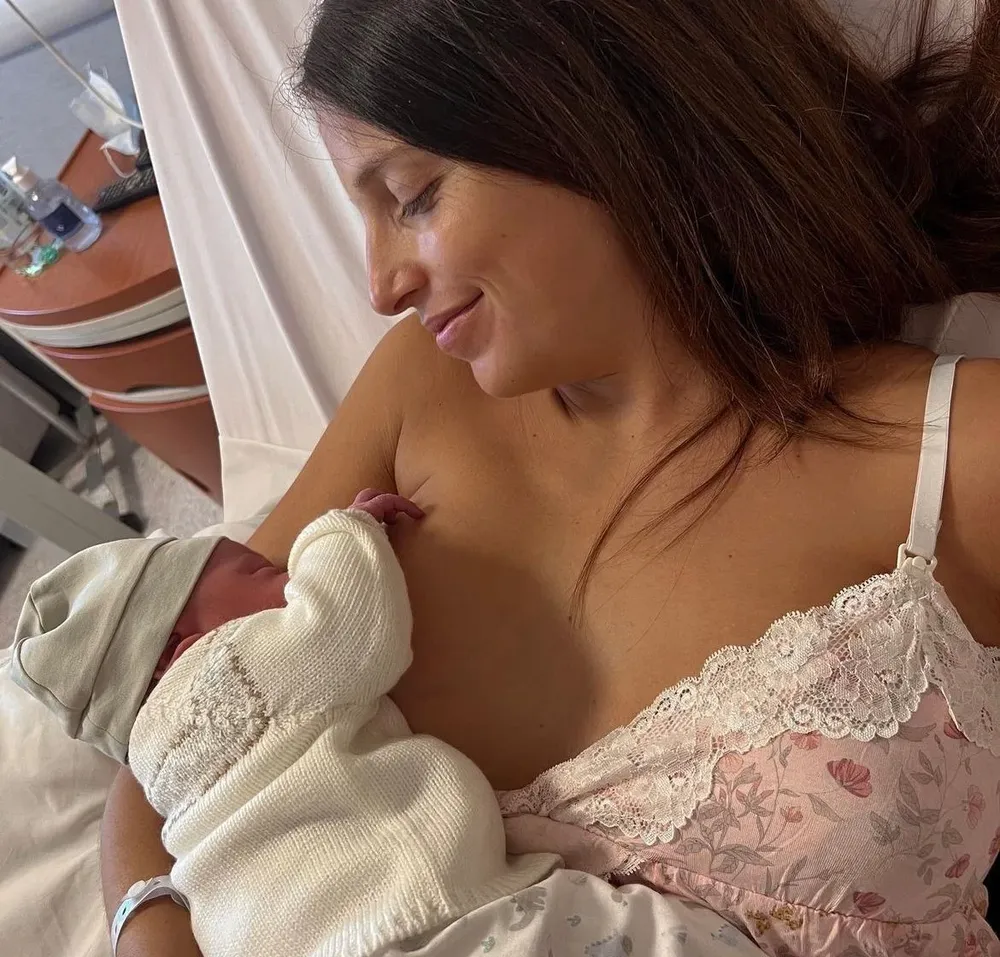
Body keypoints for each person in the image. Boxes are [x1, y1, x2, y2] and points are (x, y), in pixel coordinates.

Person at [102, 0, 1000, 954]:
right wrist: (147, 930)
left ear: (598, 118)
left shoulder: (956, 456)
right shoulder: (419, 391)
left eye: (412, 196)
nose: (381, 284)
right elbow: (183, 719)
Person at [13, 491, 765, 957]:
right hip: (430, 925)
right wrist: (339, 530)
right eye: (258, 572)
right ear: (182, 643)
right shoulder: (238, 668)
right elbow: (352, 625)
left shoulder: (155, 768)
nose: (282, 578)